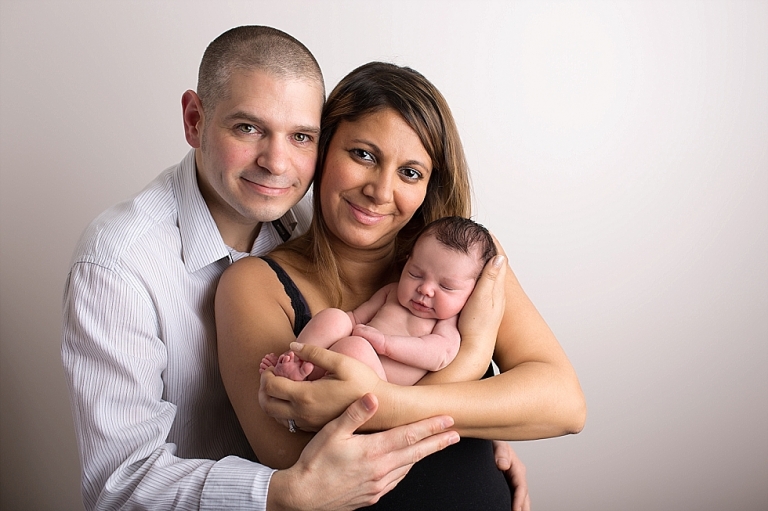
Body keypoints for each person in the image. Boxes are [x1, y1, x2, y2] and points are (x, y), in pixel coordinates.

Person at [61, 26, 530, 511]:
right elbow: (119, 484)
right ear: (195, 120)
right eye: (248, 128)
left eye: (301, 137)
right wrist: (283, 493)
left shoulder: (327, 218)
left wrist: (480, 425)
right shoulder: (118, 265)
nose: (277, 163)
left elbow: (558, 402)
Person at [216, 62, 585, 510]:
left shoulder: (464, 261)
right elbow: (307, 465)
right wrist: (474, 368)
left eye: (410, 173)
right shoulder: (255, 285)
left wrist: (396, 403)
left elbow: (565, 405)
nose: (380, 190)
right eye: (363, 155)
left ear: (430, 186)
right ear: (321, 151)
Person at [261, 216, 497, 385]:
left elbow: (438, 356)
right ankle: (296, 361)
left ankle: (307, 382)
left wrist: (386, 344)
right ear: (406, 262)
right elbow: (355, 319)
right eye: (415, 274)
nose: (425, 289)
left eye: (446, 287)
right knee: (335, 317)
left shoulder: (448, 322)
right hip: (341, 360)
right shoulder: (391, 293)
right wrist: (338, 326)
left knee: (354, 347)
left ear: (472, 292)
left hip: (378, 388)